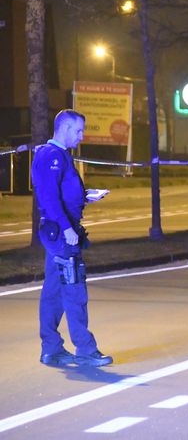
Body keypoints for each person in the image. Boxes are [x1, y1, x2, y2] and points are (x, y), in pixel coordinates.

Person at [31, 109, 113, 367]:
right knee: (74, 290)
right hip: (61, 234)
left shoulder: (59, 156)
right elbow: (48, 197)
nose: (81, 136)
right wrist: (68, 229)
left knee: (54, 291)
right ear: (64, 128)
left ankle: (52, 349)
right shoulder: (52, 156)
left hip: (58, 232)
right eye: (78, 131)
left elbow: (63, 194)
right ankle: (86, 350)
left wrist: (86, 195)